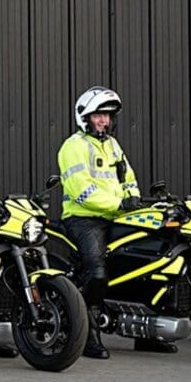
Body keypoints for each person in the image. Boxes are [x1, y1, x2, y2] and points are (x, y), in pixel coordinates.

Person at [57, 85, 177, 359]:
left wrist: (133, 199)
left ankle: (145, 332)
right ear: (85, 116)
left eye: (108, 116)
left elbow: (128, 178)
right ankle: (87, 335)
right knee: (96, 272)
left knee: (145, 262)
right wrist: (119, 204)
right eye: (98, 115)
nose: (104, 121)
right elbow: (81, 190)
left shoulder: (112, 145)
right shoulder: (74, 146)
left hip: (116, 216)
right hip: (84, 219)